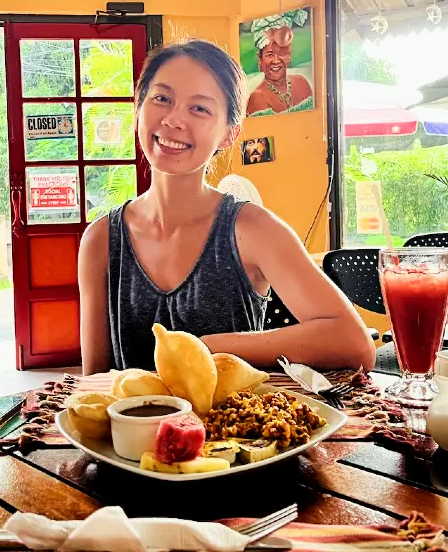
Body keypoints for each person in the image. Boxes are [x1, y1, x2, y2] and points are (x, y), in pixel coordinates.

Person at [78, 40, 375, 375]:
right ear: (138, 107)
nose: (174, 119)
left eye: (200, 109)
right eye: (162, 98)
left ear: (229, 135)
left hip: (235, 427)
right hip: (133, 428)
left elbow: (354, 343)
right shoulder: (101, 240)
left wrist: (210, 348)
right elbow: (95, 385)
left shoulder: (251, 229)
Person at [246, 14, 314, 117]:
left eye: (282, 53)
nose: (276, 60)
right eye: (270, 55)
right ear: (260, 59)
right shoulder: (257, 98)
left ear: (289, 55)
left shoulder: (302, 83)